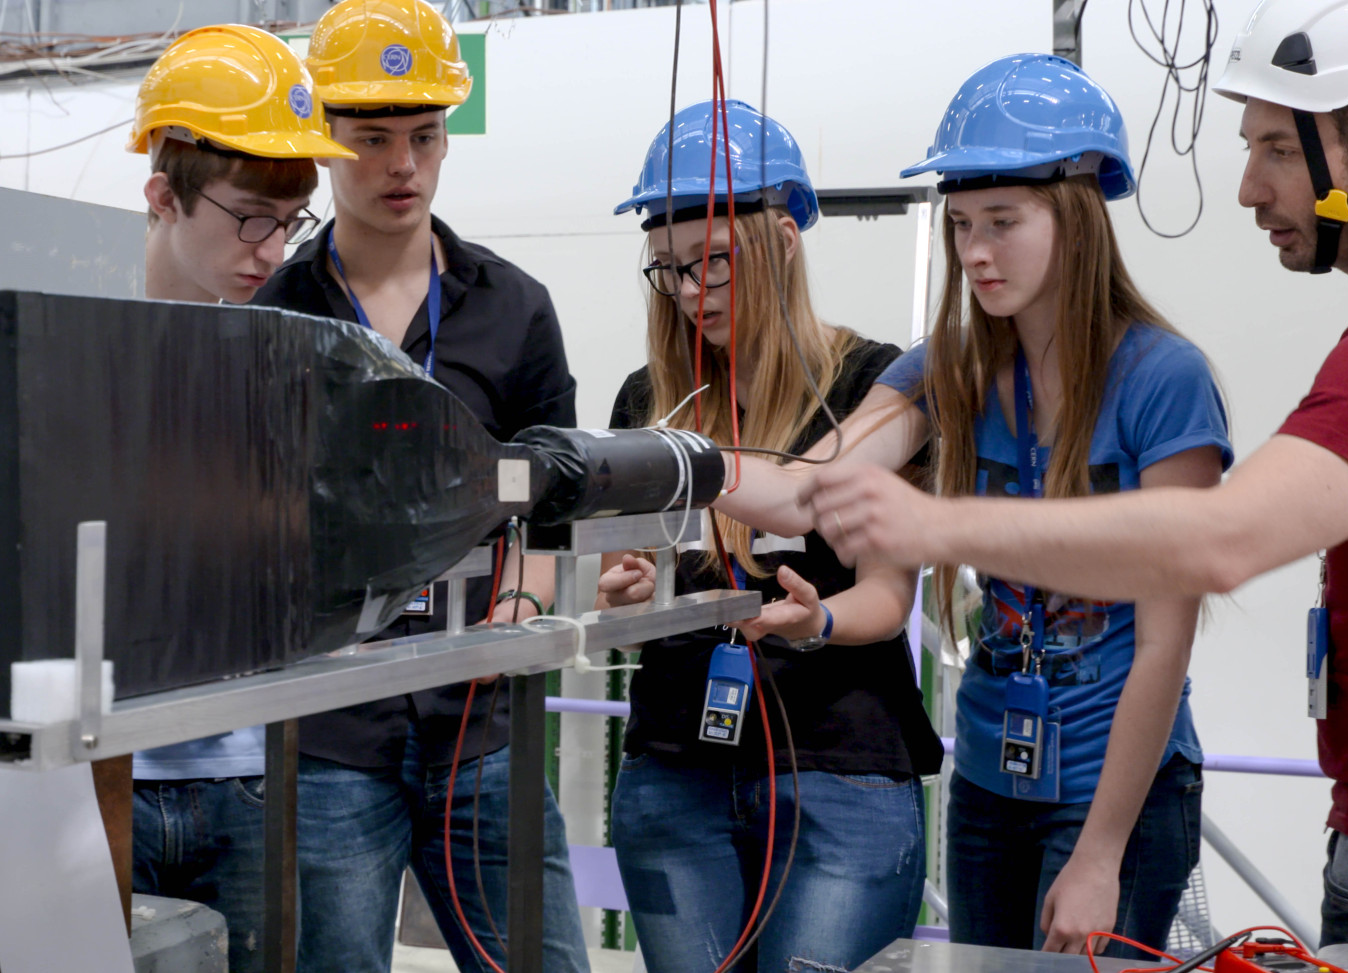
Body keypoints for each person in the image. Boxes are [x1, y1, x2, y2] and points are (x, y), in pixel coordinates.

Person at [795, 0, 1348, 952]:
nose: (1250, 188)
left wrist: (936, 527)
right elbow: (804, 481)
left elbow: (1219, 543)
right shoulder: (955, 364)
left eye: (1278, 151)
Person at [717, 55, 1234, 956]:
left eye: (1003, 222)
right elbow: (805, 489)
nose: (976, 253)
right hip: (990, 781)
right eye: (960, 226)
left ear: (1076, 215)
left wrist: (1102, 851)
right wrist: (674, 465)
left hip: (1115, 791)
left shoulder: (1164, 380)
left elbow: (1164, 643)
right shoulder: (946, 365)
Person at [251, 2, 588, 971]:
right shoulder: (276, 316)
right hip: (328, 728)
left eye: (425, 138)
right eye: (372, 140)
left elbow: (549, 495)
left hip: (480, 716)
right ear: (324, 140)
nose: (403, 165)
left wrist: (525, 594)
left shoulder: (513, 307)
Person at [595, 100, 945, 973]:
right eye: (668, 270)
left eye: (712, 262)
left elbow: (886, 596)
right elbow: (622, 565)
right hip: (676, 770)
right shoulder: (649, 402)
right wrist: (624, 587)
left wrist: (816, 620)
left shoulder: (875, 390)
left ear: (783, 240)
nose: (689, 292)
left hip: (837, 770)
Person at [126, 23, 353, 972]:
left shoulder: (290, 371)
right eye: (250, 215)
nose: (271, 247)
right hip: (103, 776)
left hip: (250, 774)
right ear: (162, 197)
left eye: (289, 220)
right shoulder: (62, 362)